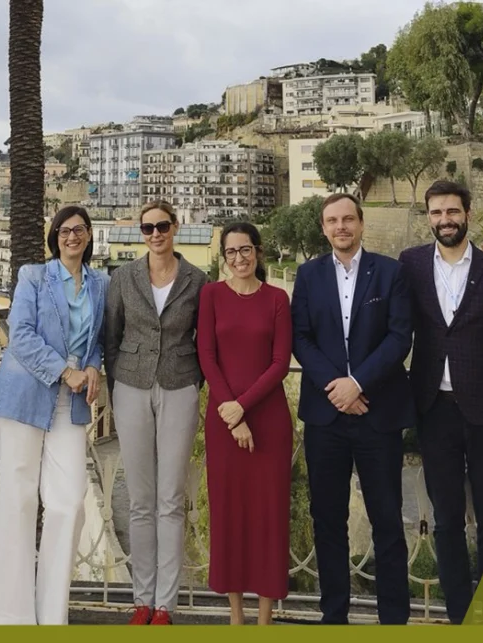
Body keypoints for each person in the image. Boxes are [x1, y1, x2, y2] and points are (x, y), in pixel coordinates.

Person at [398, 180, 483, 624]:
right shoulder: (411, 265)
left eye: (452, 211)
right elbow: (396, 332)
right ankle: (459, 616)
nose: (444, 220)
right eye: (436, 213)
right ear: (428, 217)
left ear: (467, 213)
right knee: (448, 521)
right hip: (434, 410)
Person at [290, 193, 414, 625]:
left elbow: (400, 338)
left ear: (361, 224)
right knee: (327, 520)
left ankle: (394, 619)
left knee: (387, 521)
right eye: (332, 221)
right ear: (323, 228)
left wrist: (357, 383)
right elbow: (300, 338)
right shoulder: (307, 275)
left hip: (377, 413)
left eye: (347, 219)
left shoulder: (391, 272)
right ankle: (334, 617)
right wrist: (336, 387)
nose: (340, 227)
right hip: (326, 417)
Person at [0, 205, 108, 625]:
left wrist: (91, 367)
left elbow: (97, 341)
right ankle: (9, 618)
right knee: (18, 502)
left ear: (89, 236)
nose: (71, 236)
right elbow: (19, 333)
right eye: (63, 230)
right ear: (54, 237)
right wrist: (64, 371)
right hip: (24, 396)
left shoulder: (100, 283)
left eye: (79, 230)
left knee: (69, 502)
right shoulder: (33, 276)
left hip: (68, 404)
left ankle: (52, 616)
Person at [104, 200, 208, 625]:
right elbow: (111, 335)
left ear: (175, 227)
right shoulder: (123, 277)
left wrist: (194, 381)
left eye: (162, 226)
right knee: (140, 499)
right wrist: (118, 385)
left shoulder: (197, 280)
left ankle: (165, 604)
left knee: (170, 498)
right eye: (147, 228)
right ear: (140, 233)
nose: (155, 234)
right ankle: (142, 598)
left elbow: (206, 336)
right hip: (131, 385)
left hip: (180, 385)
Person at [196, 221, 292, 625]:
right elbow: (207, 356)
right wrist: (232, 414)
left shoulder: (276, 299)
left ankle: (265, 619)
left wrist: (243, 407)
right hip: (223, 422)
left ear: (258, 252)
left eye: (245, 250)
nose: (238, 258)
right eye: (231, 252)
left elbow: (280, 363)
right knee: (229, 516)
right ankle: (236, 617)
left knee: (269, 518)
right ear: (223, 257)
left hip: (268, 422)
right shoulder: (211, 295)